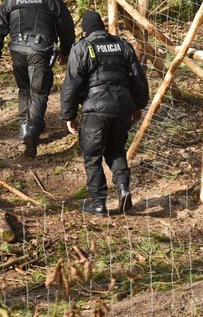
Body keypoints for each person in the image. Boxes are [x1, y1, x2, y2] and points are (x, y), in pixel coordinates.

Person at [60, 11, 149, 216]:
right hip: (123, 107)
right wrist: (138, 106)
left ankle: (98, 202)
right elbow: (138, 77)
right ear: (102, 26)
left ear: (84, 30)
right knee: (116, 150)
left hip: (95, 109)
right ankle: (123, 189)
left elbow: (71, 85)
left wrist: (69, 115)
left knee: (92, 156)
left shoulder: (82, 47)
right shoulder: (122, 45)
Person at [0, 0, 76, 159]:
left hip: (17, 50)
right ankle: (33, 131)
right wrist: (66, 51)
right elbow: (66, 26)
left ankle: (24, 127)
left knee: (24, 89)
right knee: (38, 92)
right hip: (40, 51)